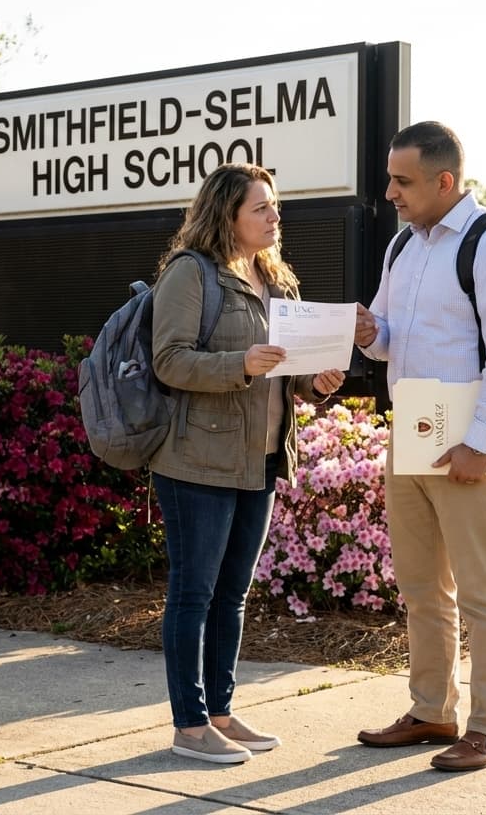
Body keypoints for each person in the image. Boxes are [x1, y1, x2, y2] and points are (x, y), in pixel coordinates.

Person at [353, 121, 486, 771]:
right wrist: (370, 330)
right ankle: (433, 710)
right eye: (390, 179)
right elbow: (389, 336)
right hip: (413, 428)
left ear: (444, 181)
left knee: (484, 590)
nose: (390, 192)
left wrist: (481, 442)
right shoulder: (404, 246)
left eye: (402, 181)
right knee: (423, 586)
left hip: (468, 438)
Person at [148, 162, 346, 764]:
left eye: (275, 206)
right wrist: (240, 364)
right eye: (261, 207)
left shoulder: (276, 280)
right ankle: (189, 725)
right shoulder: (190, 273)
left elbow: (287, 374)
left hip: (261, 460)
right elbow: (170, 361)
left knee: (232, 595)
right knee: (193, 594)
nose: (274, 216)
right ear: (227, 213)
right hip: (196, 462)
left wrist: (316, 383)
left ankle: (222, 713)